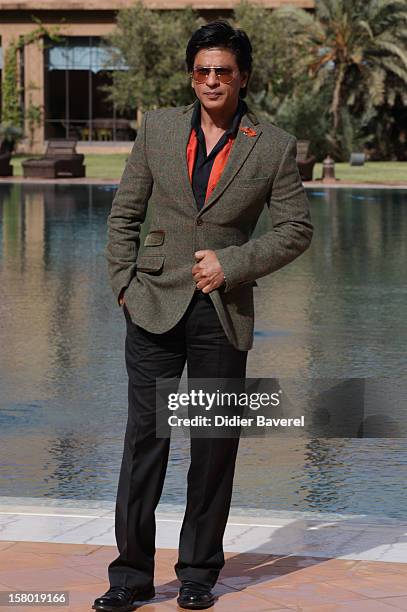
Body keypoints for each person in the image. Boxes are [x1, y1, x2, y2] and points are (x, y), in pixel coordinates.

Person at [92, 19, 313, 612]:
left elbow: (296, 230)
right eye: (203, 71)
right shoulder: (159, 130)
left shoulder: (272, 145)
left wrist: (234, 263)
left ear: (242, 78)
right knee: (146, 442)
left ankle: (197, 572)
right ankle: (130, 577)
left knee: (213, 444)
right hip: (152, 304)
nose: (212, 80)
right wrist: (122, 285)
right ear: (192, 76)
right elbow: (124, 215)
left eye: (223, 71)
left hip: (223, 310)